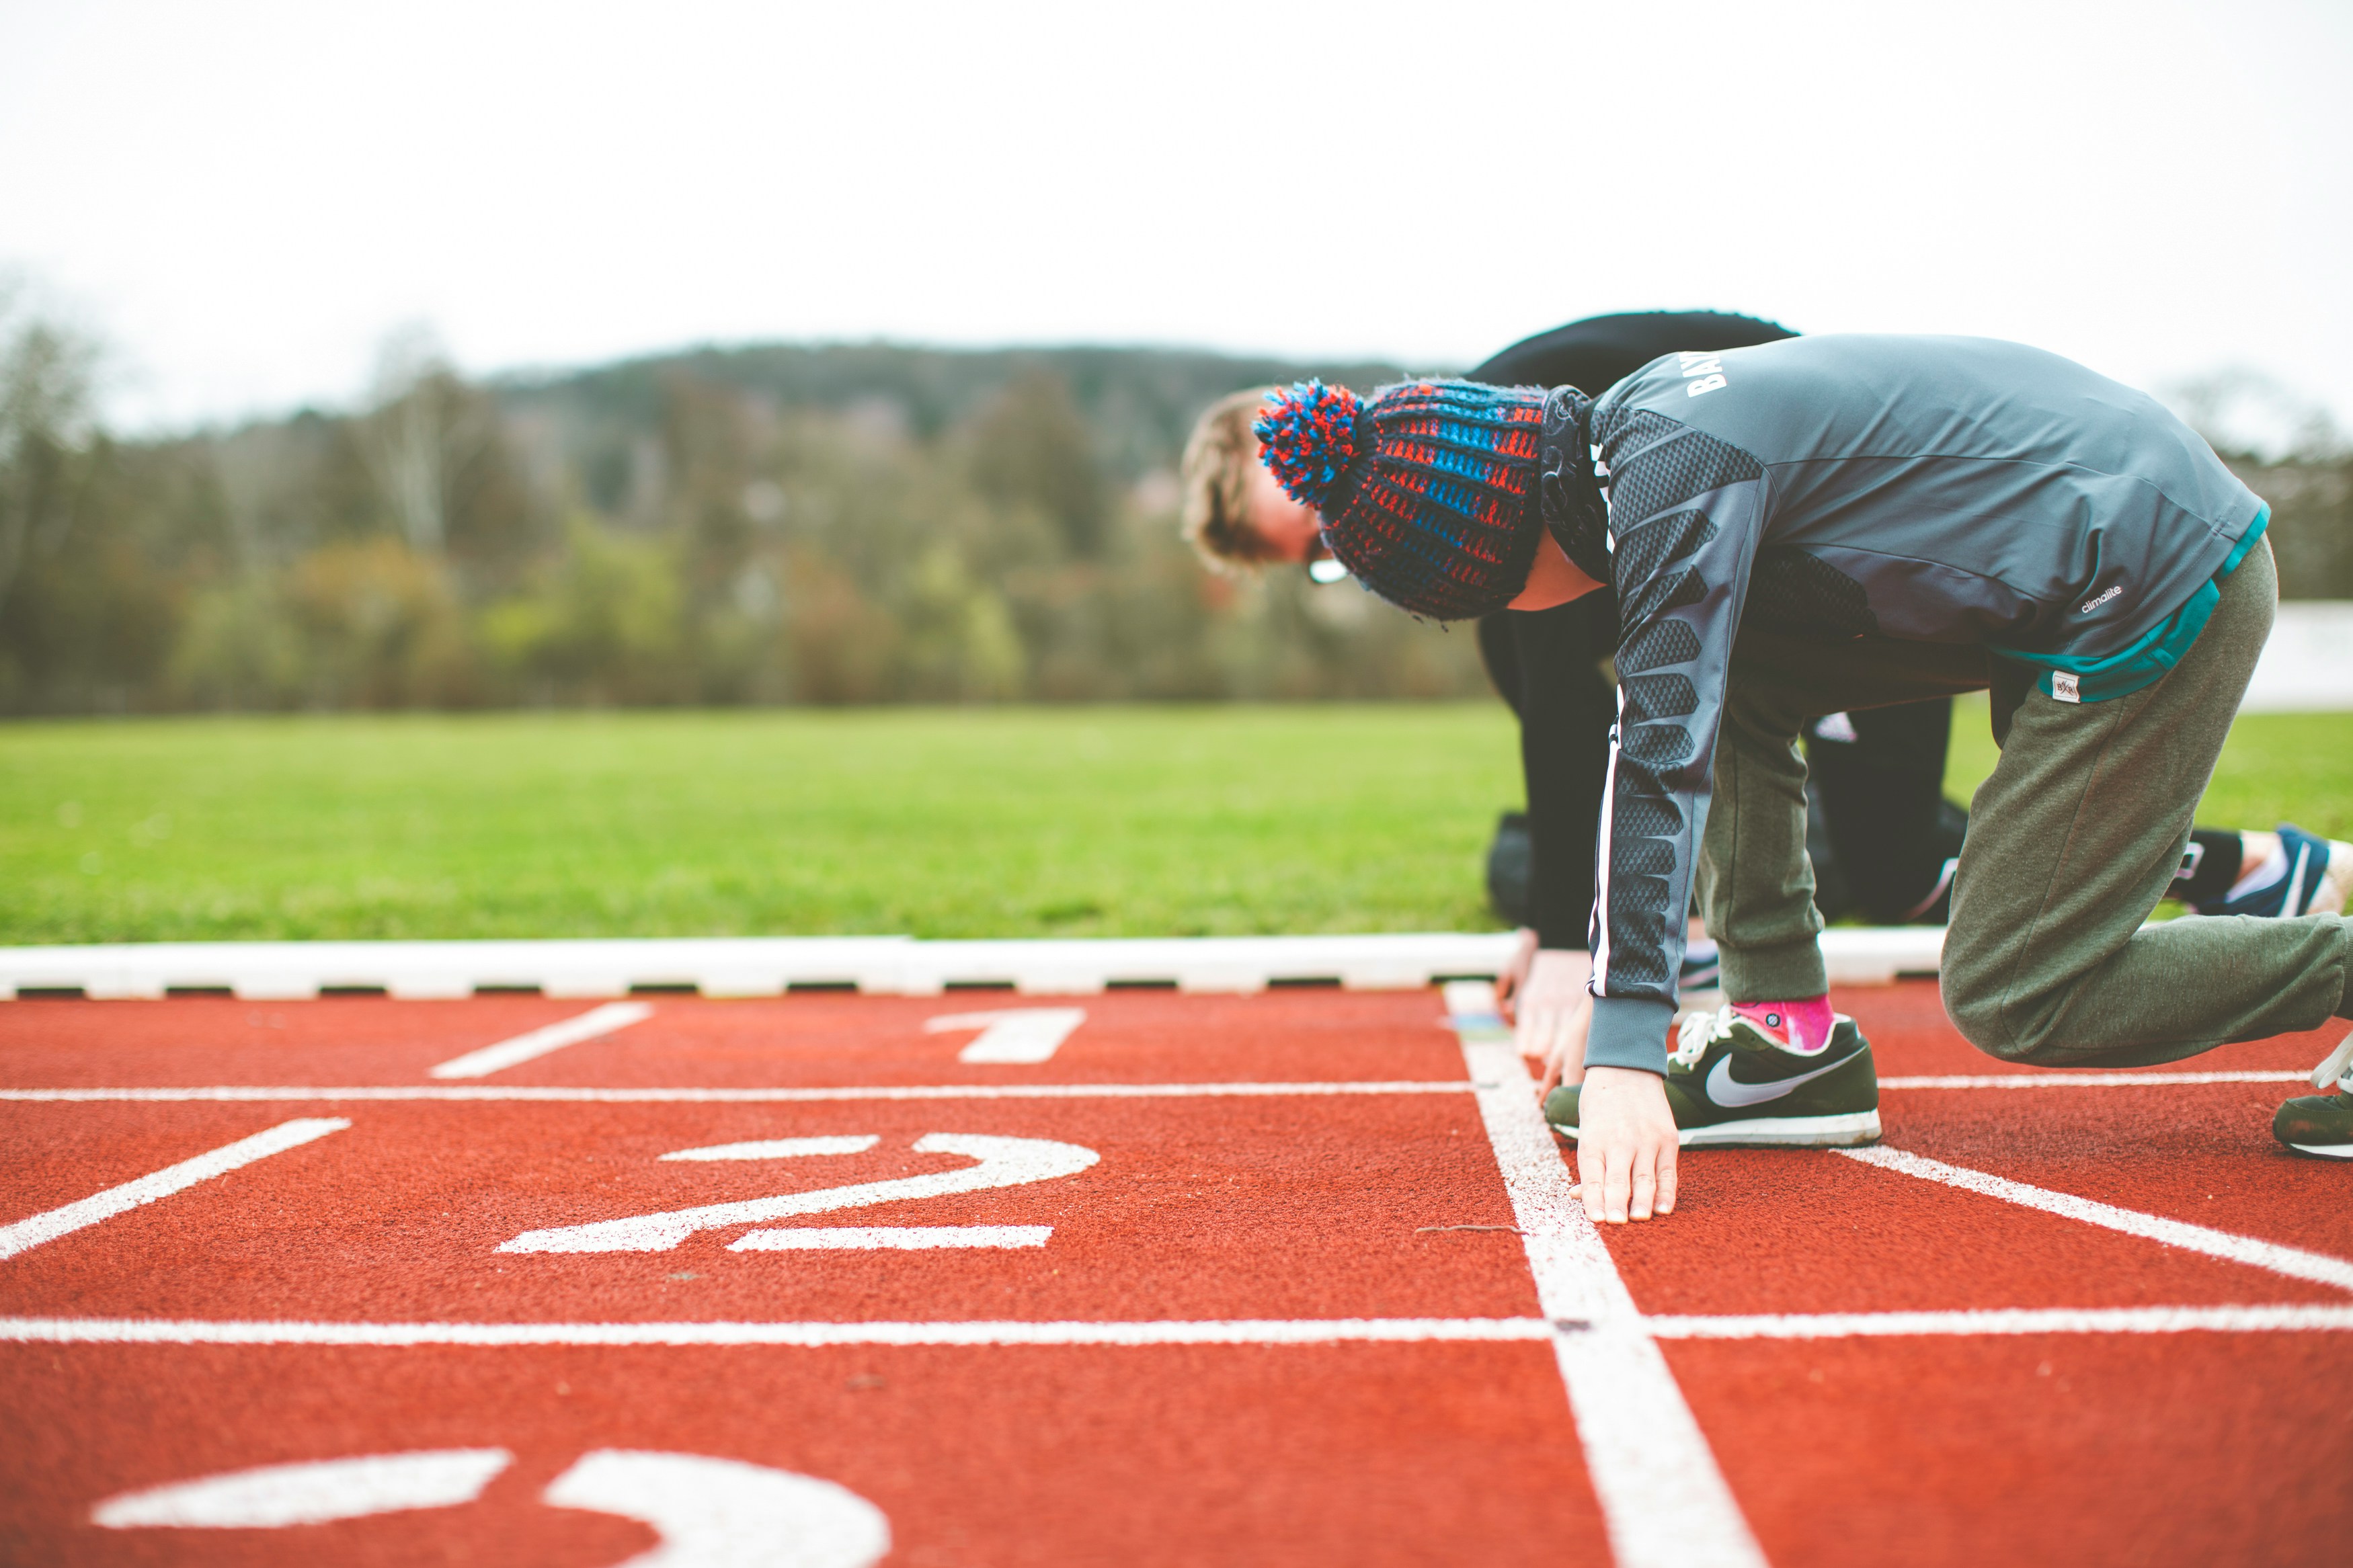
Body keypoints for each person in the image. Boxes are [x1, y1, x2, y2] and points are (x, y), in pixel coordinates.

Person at [1244, 335, 2353, 1223]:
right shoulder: (1640, 431)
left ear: (1494, 565)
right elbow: (1681, 703)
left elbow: (1661, 754)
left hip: (2154, 575)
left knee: (2021, 984)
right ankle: (1787, 1041)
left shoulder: (1673, 478)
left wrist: (1628, 1043)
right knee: (1713, 682)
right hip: (2076, 555)